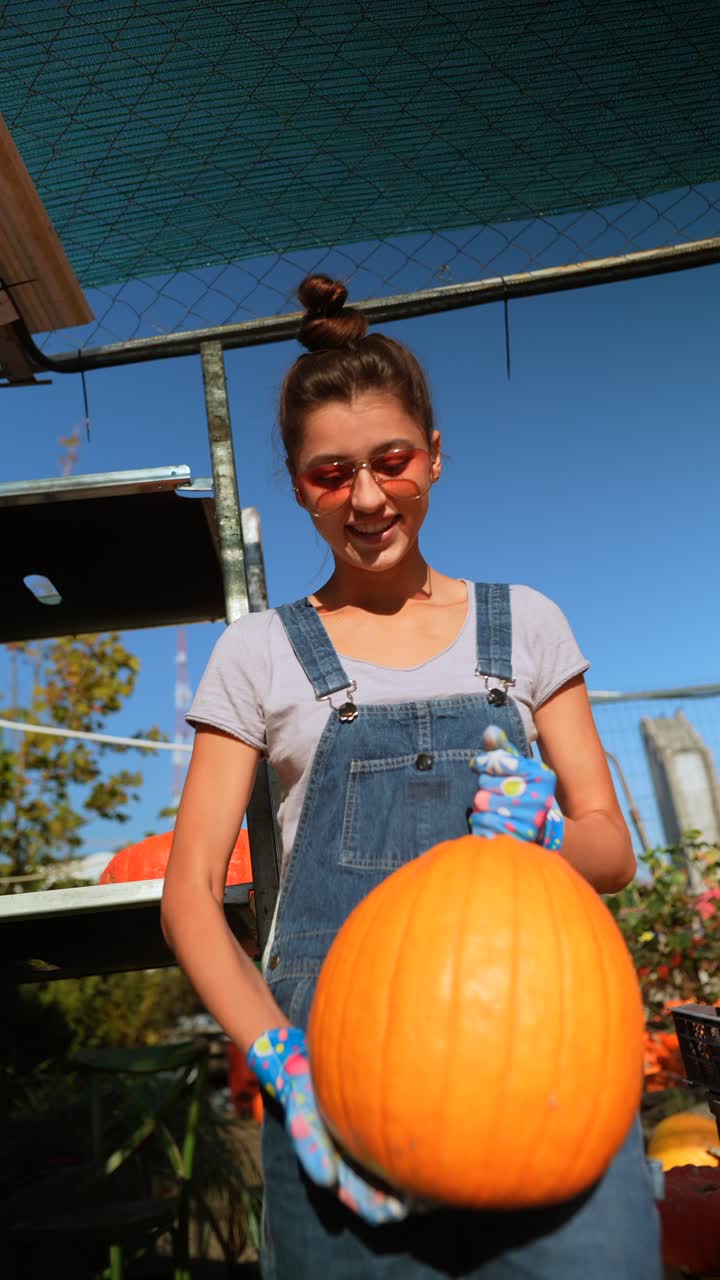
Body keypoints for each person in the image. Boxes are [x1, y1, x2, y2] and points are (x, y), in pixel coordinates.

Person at [161, 274, 661, 1278]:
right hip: (342, 1087)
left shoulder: (526, 624)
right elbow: (187, 896)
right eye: (330, 473)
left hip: (549, 1067)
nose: (370, 497)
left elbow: (615, 849)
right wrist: (283, 1066)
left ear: (434, 455)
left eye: (392, 460)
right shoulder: (258, 653)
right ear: (300, 484)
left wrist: (556, 839)